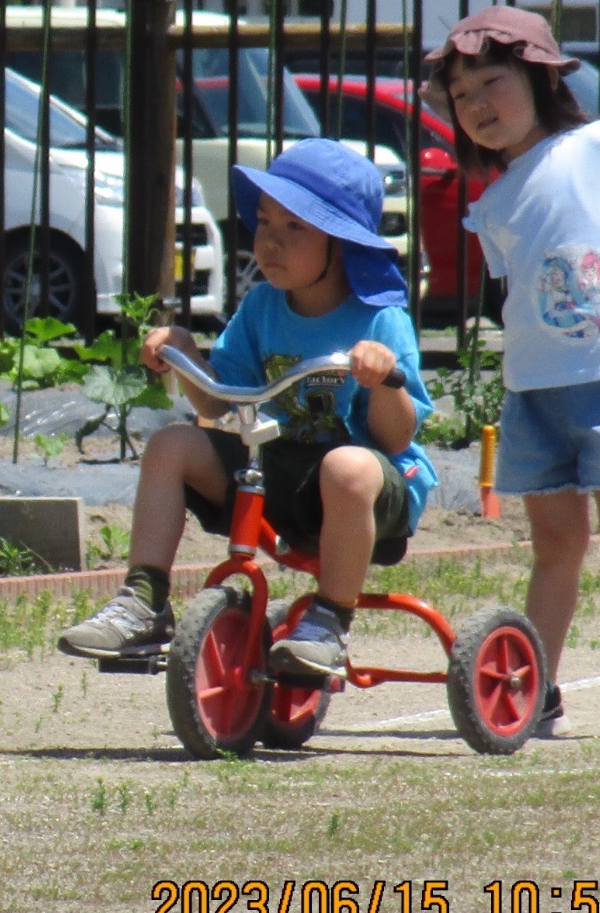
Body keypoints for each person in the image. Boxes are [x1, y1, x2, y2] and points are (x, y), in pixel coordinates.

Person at [57, 139, 436, 682]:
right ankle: (143, 601)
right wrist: (185, 354)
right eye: (263, 222)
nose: (270, 242)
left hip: (366, 493)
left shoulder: (379, 318)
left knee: (346, 465)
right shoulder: (261, 306)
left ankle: (329, 620)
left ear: (343, 243)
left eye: (295, 228)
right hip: (280, 476)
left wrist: (384, 380)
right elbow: (218, 400)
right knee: (171, 445)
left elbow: (396, 439)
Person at [436, 6, 600, 741]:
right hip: (534, 391)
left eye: (493, 82)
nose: (478, 105)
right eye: (462, 97)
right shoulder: (492, 201)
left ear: (541, 78)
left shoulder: (594, 145)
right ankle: (534, 689)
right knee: (556, 545)